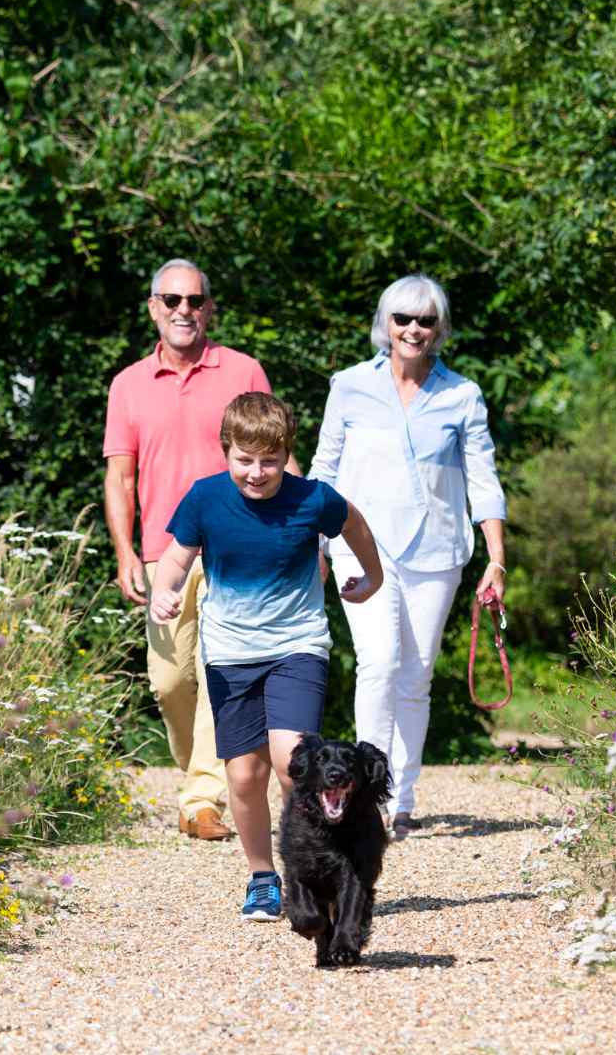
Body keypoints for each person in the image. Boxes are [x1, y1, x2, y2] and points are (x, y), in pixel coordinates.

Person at [149, 392, 383, 920]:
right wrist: (167, 591)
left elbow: (356, 525)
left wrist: (372, 575)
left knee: (290, 762)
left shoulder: (311, 499)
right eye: (245, 461)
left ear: (286, 455)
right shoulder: (205, 499)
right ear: (226, 451)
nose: (257, 473)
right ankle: (261, 877)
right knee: (244, 778)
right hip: (231, 655)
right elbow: (176, 558)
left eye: (270, 461)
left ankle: (314, 870)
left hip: (297, 646)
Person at [309, 274, 507, 839]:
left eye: (424, 320)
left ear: (439, 328)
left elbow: (483, 481)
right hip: (358, 545)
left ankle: (402, 795)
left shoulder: (461, 395)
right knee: (378, 661)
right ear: (385, 324)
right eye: (402, 319)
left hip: (437, 552)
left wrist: (495, 560)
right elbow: (324, 470)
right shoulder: (348, 387)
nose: (413, 329)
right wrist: (316, 544)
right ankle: (363, 797)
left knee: (415, 677)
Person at [104, 258, 281, 842]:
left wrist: (305, 534)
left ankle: (204, 795)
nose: (185, 310)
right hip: (163, 551)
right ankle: (197, 778)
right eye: (173, 300)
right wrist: (126, 552)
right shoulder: (128, 385)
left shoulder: (243, 370)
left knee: (219, 672)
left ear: (209, 308)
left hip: (239, 547)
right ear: (154, 306)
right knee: (170, 680)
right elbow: (120, 479)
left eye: (196, 300)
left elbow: (274, 456)